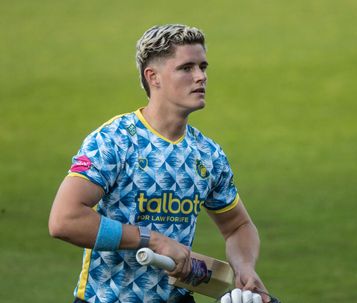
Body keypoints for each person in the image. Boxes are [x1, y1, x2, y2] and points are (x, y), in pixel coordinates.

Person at [49, 24, 269, 303]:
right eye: (186, 68)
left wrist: (244, 266)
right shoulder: (114, 140)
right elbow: (64, 220)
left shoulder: (207, 154)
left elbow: (238, 226)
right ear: (153, 77)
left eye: (203, 66)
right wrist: (151, 239)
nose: (201, 77)